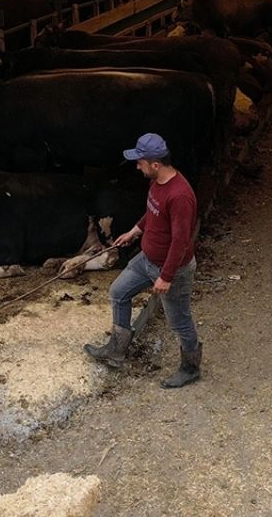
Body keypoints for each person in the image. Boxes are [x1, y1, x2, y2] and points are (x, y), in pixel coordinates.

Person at [84, 133, 202, 388]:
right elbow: (152, 213)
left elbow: (181, 241)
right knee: (118, 291)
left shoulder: (180, 195)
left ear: (155, 164)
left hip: (172, 267)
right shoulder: (157, 183)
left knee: (179, 321)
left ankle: (191, 367)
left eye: (140, 162)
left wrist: (166, 276)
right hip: (147, 258)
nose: (137, 166)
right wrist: (134, 231)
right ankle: (116, 350)